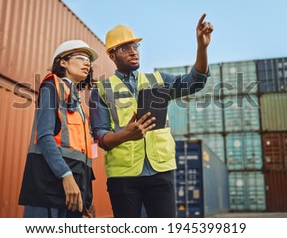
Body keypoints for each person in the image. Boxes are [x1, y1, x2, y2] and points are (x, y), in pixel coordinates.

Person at [89, 14, 213, 218]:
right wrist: (126, 135)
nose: (133, 52)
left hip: (160, 172)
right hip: (124, 177)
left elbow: (195, 82)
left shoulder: (158, 80)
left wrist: (202, 47)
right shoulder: (102, 90)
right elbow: (100, 136)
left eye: (135, 47)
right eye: (125, 48)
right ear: (112, 55)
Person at [19, 40, 99, 218]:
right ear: (63, 62)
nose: (87, 63)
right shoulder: (52, 86)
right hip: (52, 185)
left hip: (74, 189)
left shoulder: (80, 108)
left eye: (89, 60)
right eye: (81, 57)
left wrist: (87, 196)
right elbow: (45, 136)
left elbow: (85, 154)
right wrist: (66, 175)